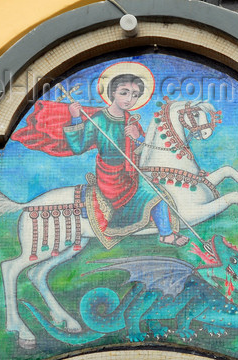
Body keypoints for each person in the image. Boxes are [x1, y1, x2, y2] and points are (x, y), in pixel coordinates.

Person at [64, 73, 188, 246]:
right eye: (124, 93)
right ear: (113, 93)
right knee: (153, 192)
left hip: (131, 171)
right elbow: (78, 147)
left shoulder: (131, 120)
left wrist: (139, 138)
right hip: (111, 176)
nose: (130, 99)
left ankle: (163, 230)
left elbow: (145, 151)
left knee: (158, 187)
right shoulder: (98, 119)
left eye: (135, 95)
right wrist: (76, 117)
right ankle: (166, 235)